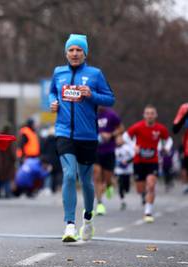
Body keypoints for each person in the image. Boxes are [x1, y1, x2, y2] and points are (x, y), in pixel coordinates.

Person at [49, 34, 115, 242]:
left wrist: (92, 95)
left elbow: (110, 99)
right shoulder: (58, 73)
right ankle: (69, 225)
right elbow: (52, 93)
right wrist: (53, 102)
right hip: (63, 132)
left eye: (79, 50)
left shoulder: (95, 74)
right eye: (71, 50)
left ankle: (87, 219)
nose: (75, 54)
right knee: (69, 175)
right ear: (66, 53)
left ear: (85, 54)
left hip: (87, 135)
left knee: (86, 181)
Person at [124, 105, 172, 223]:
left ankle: (148, 212)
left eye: (152, 113)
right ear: (144, 115)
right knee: (140, 189)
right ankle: (143, 196)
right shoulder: (138, 126)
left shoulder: (160, 128)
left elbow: (168, 139)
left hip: (153, 161)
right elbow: (125, 136)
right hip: (138, 161)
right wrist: (133, 147)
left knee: (151, 185)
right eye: (147, 113)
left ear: (155, 115)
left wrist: (166, 147)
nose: (150, 115)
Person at [94, 107, 124, 215]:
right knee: (97, 176)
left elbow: (121, 128)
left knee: (107, 178)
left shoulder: (111, 115)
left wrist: (110, 134)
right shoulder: (89, 114)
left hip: (108, 150)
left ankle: (109, 185)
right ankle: (100, 204)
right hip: (94, 150)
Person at [0, 124, 16, 199]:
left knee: (0, 177)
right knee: (7, 178)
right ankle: (7, 192)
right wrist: (14, 159)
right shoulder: (8, 138)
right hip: (7, 162)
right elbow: (11, 151)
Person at [114, 133, 134, 210]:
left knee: (127, 188)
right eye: (117, 140)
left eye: (120, 139)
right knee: (120, 185)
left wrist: (127, 162)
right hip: (119, 170)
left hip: (128, 170)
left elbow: (134, 157)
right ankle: (122, 201)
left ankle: (126, 191)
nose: (119, 141)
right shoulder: (114, 149)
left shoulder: (127, 148)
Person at [172, 103, 188, 194]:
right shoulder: (184, 107)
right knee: (184, 168)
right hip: (186, 147)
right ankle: (186, 186)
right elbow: (175, 129)